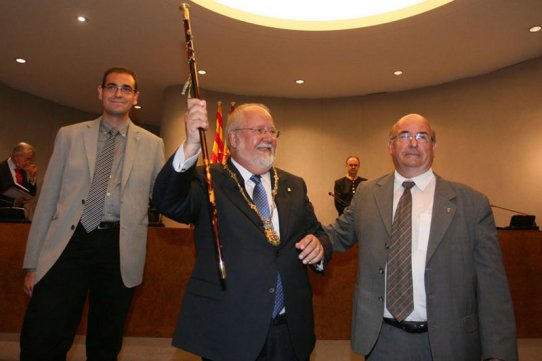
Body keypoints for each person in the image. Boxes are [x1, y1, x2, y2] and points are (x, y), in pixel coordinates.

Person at [325, 114, 517, 361]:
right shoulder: (367, 194)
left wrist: (498, 353)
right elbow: (337, 234)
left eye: (422, 137)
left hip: (449, 343)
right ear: (390, 146)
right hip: (381, 341)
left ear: (434, 147)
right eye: (404, 136)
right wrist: (313, 242)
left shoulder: (472, 204)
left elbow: (493, 288)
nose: (413, 143)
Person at [152, 100, 332, 361]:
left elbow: (318, 233)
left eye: (272, 131)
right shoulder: (208, 181)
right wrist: (191, 144)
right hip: (230, 328)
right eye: (259, 130)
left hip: (289, 330)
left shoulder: (294, 184)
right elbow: (167, 200)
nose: (268, 137)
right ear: (233, 139)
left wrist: (320, 245)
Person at [20, 67, 165, 360]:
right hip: (67, 245)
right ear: (100, 92)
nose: (118, 93)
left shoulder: (153, 144)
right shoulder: (69, 135)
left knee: (106, 341)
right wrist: (32, 263)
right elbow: (47, 201)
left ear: (135, 97)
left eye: (126, 88)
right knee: (45, 334)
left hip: (118, 249)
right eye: (112, 86)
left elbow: (164, 196)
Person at [0, 142, 37, 207]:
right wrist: (13, 203)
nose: (28, 163)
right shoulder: (1, 169)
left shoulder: (23, 172)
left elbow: (29, 194)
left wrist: (32, 177)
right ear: (16, 157)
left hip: (18, 214)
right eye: (27, 159)